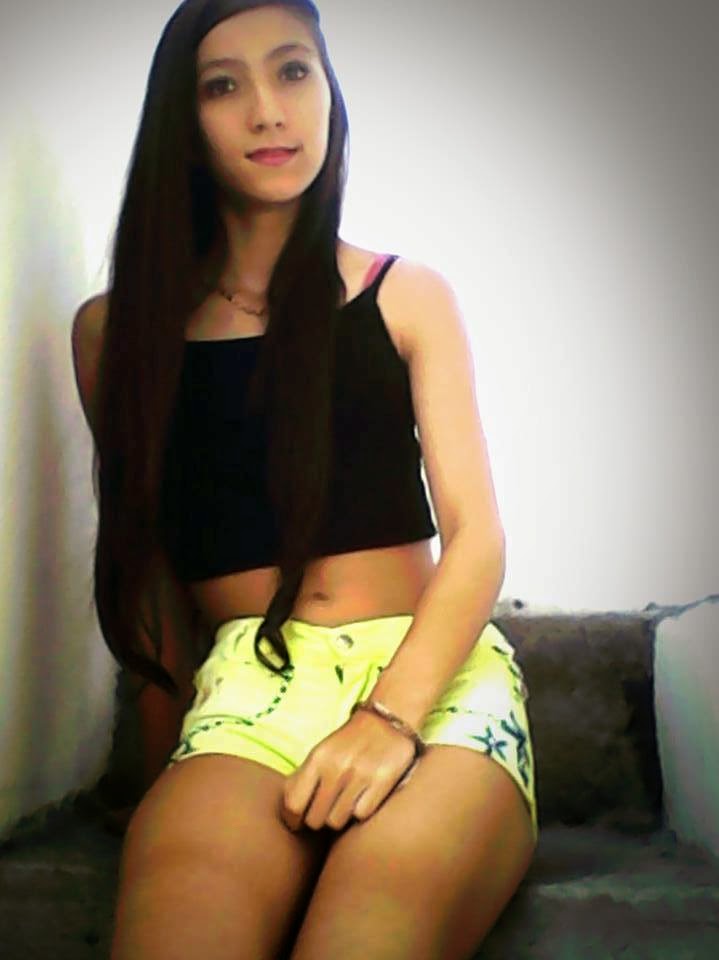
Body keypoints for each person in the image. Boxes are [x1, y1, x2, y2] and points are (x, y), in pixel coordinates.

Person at [70, 1, 538, 957]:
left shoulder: (404, 294)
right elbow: (147, 567)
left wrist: (388, 718)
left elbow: (477, 538)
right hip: (249, 685)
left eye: (293, 71)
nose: (269, 111)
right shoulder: (118, 334)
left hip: (430, 678)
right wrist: (162, 766)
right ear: (182, 122)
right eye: (223, 85)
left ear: (329, 92)